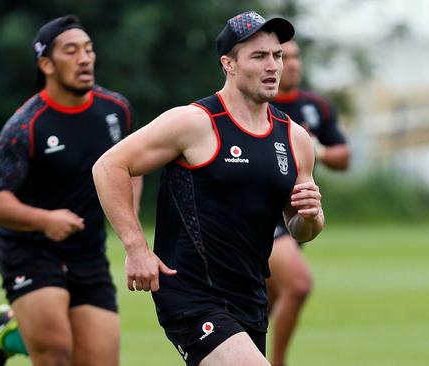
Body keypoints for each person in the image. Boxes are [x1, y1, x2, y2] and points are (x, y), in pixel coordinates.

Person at [92, 10, 324, 366]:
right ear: (228, 63)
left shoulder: (294, 138)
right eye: (259, 56)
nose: (273, 66)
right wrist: (136, 247)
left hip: (250, 295)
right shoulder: (195, 122)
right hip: (191, 293)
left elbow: (301, 229)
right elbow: (110, 166)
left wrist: (311, 216)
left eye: (277, 55)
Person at [0, 15, 140, 366]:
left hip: (88, 254)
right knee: (55, 354)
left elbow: (133, 164)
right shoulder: (26, 124)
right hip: (32, 251)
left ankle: (12, 331)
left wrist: (129, 221)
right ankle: (15, 333)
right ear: (46, 64)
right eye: (71, 51)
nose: (85, 58)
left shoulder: (116, 110)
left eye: (88, 49)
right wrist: (44, 220)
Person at [267, 39, 350, 366]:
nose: (293, 63)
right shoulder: (257, 104)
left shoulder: (315, 106)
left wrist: (320, 151)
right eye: (284, 57)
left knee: (260, 305)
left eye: (297, 56)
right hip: (263, 216)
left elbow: (344, 157)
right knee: (299, 285)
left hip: (296, 216)